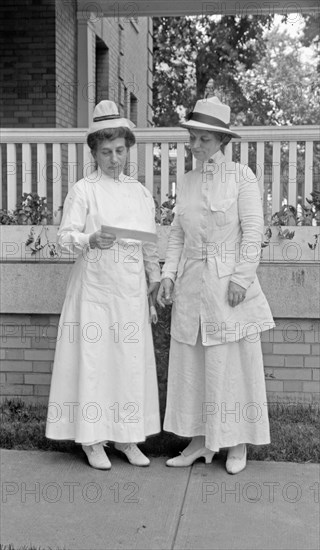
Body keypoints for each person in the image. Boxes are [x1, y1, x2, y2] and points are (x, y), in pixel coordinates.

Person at [158, 96, 275, 474]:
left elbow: (253, 232)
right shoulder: (188, 181)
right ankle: (197, 441)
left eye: (203, 139)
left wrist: (241, 278)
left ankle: (236, 442)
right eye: (192, 137)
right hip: (192, 286)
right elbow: (177, 234)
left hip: (228, 288)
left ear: (222, 142)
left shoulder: (242, 177)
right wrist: (168, 275)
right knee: (193, 365)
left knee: (231, 366)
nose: (194, 145)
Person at [46, 100, 161, 469]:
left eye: (120, 151)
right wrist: (89, 239)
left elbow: (148, 245)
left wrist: (155, 281)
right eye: (106, 152)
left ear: (128, 149)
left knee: (127, 362)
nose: (114, 159)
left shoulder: (140, 192)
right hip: (94, 289)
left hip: (129, 292)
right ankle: (93, 439)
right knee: (95, 361)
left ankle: (127, 437)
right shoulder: (84, 190)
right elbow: (63, 238)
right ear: (94, 152)